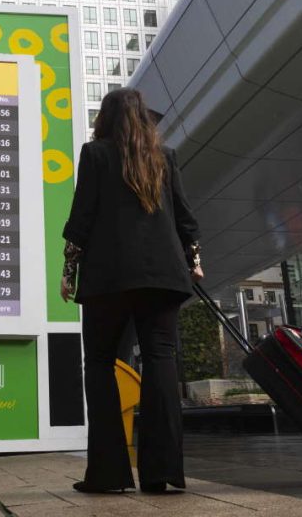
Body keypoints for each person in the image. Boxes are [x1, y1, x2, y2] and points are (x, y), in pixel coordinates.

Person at [61, 88, 202, 494]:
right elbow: (185, 218)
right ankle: (162, 474)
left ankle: (108, 475)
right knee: (161, 362)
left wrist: (69, 270)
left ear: (105, 118)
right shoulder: (165, 156)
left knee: (101, 363)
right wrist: (193, 260)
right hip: (164, 276)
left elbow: (81, 219)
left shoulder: (96, 155)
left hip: (109, 278)